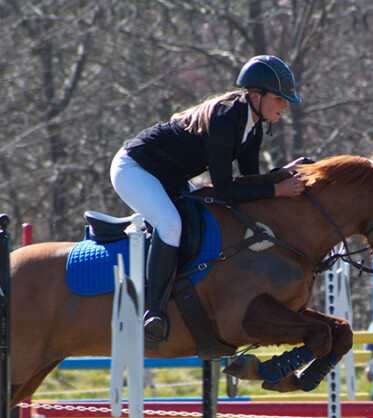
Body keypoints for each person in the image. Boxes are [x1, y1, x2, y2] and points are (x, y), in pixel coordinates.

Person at [110, 55, 306, 347]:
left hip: (168, 175)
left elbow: (250, 181)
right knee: (171, 225)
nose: (285, 106)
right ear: (256, 96)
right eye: (279, 98)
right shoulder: (227, 119)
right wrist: (279, 190)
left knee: (201, 218)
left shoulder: (252, 127)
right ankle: (154, 313)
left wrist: (282, 176)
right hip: (135, 168)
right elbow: (226, 189)